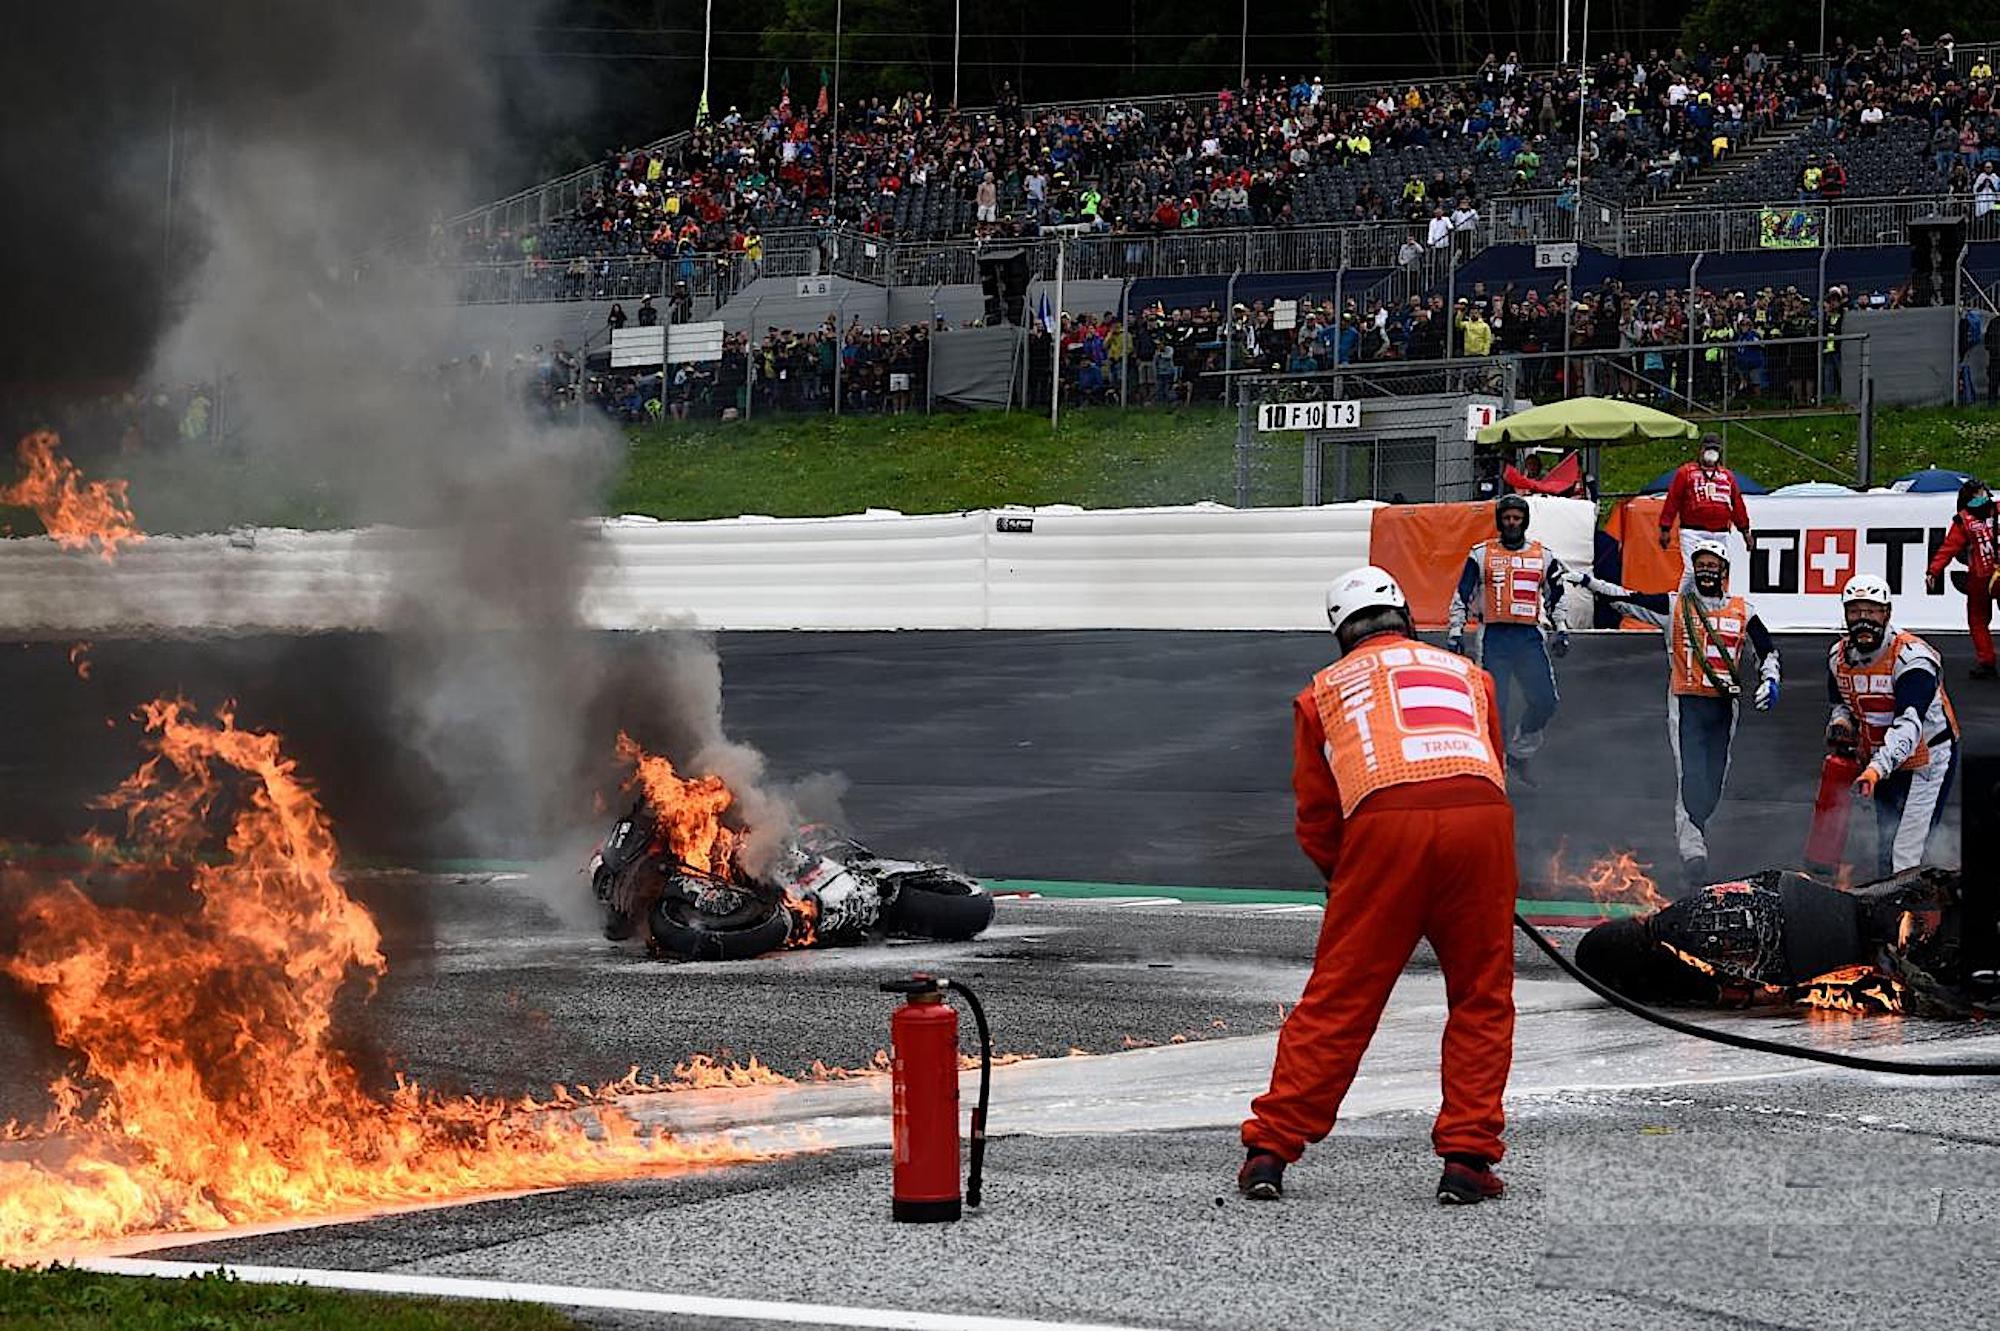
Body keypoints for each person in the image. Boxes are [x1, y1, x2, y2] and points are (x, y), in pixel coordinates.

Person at [1240, 566, 1517, 1207]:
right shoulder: (1471, 675)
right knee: (1481, 996)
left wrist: (1351, 885)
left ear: (1341, 632)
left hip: (1383, 826)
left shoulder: (1322, 692)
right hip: (1481, 822)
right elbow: (1493, 765)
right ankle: (1468, 1159)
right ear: (1405, 619)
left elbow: (1315, 814)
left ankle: (1270, 1151)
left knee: (1340, 998)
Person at [1569, 540, 1780, 885]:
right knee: (1690, 776)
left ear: (1724, 571)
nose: (1708, 571)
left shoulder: (1745, 610)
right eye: (1702, 564)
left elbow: (1767, 650)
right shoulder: (1674, 606)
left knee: (1713, 782)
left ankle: (1697, 826)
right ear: (1693, 569)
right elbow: (1628, 599)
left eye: (1714, 565)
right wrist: (1589, 582)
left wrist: (1770, 681)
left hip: (1725, 705)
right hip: (1686, 703)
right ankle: (1692, 852)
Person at [1827, 575, 1958, 876]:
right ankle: (1892, 918)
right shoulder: (1837, 657)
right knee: (1886, 843)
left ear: (1887, 613)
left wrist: (1875, 770)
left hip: (1927, 758)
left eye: (1872, 611)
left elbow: (1909, 725)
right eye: (1855, 612)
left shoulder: (1914, 659)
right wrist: (1841, 723)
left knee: (1906, 854)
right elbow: (1840, 702)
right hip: (1879, 758)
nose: (1864, 620)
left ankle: (1919, 918)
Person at [1444, 495, 1570, 783]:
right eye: (1507, 518)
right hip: (1494, 637)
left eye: (1517, 518)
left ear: (1525, 520)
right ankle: (1493, 773)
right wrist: (1455, 631)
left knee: (1545, 701)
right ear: (1499, 520)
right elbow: (1461, 594)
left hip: (1529, 636)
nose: (1512, 523)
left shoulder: (1544, 555)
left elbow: (1557, 595)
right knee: (1494, 706)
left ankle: (1520, 752)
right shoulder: (1480, 554)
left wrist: (1562, 629)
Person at [1925, 479, 2000, 679]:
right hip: (1997, 572)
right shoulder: (1996, 509)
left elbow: (1948, 549)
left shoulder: (1963, 520)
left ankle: (1987, 661)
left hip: (1980, 576)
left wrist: (1933, 571)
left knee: (1977, 619)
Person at [1658, 432, 1752, 589]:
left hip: (1721, 532)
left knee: (1721, 570)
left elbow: (1736, 504)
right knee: (1692, 570)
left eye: (1715, 449)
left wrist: (1745, 531)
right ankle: (1681, 604)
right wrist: (1665, 528)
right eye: (1708, 448)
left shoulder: (1727, 476)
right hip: (1693, 531)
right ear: (1700, 450)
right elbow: (1673, 500)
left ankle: (1718, 604)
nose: (1711, 452)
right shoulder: (1686, 473)